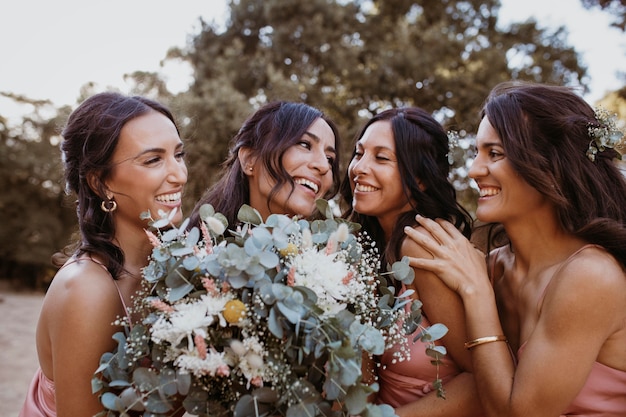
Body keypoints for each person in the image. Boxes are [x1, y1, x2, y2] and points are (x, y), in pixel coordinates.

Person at [405, 81, 626, 416]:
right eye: (478, 153)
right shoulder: (491, 266)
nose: (475, 170)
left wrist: (476, 291)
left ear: (552, 167)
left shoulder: (591, 275)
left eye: (495, 154)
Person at [19, 92, 188, 417]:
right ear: (100, 182)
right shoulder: (86, 288)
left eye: (178, 155)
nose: (179, 174)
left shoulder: (176, 270)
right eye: (153, 159)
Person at [339, 107, 484, 416]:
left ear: (420, 178)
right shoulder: (367, 244)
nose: (359, 168)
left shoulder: (422, 248)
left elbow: (481, 380)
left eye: (381, 158)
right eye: (359, 153)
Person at [188, 100, 341, 229]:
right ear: (249, 159)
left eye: (329, 159)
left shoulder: (337, 261)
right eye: (305, 144)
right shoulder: (193, 258)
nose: (324, 166)